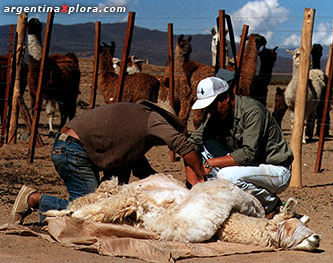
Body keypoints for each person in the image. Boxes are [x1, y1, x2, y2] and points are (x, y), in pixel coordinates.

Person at [11, 101, 207, 224]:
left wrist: (171, 190)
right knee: (93, 211)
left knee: (100, 205)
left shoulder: (136, 127)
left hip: (71, 146)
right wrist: (200, 177)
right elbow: (183, 145)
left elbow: (143, 171)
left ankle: (52, 215)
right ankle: (35, 199)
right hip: (73, 149)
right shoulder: (154, 119)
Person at [185, 69, 294, 217]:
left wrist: (211, 163)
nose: (210, 112)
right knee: (202, 147)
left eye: (212, 106)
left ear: (226, 98)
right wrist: (193, 184)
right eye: (207, 108)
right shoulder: (217, 115)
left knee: (227, 175)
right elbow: (192, 144)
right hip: (246, 167)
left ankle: (272, 205)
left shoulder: (252, 111)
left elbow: (249, 153)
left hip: (275, 169)